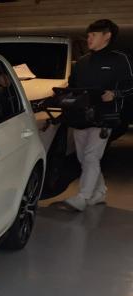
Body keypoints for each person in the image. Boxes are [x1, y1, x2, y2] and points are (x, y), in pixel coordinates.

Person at [64, 19, 133, 211]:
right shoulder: (82, 62)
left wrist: (115, 94)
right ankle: (100, 192)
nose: (89, 38)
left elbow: (131, 86)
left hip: (104, 118)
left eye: (93, 35)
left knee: (91, 156)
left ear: (107, 36)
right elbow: (72, 87)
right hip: (81, 118)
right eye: (88, 35)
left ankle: (83, 197)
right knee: (84, 158)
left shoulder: (120, 59)